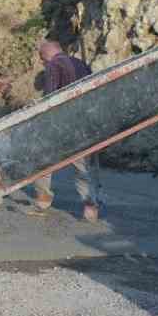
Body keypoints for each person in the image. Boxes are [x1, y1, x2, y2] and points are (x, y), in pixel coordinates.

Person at [30, 39, 103, 221]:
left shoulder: (54, 65)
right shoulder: (81, 64)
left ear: (46, 54)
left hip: (63, 124)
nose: (42, 62)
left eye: (41, 58)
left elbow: (51, 97)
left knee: (42, 160)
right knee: (82, 167)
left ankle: (42, 201)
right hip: (85, 122)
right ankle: (90, 207)